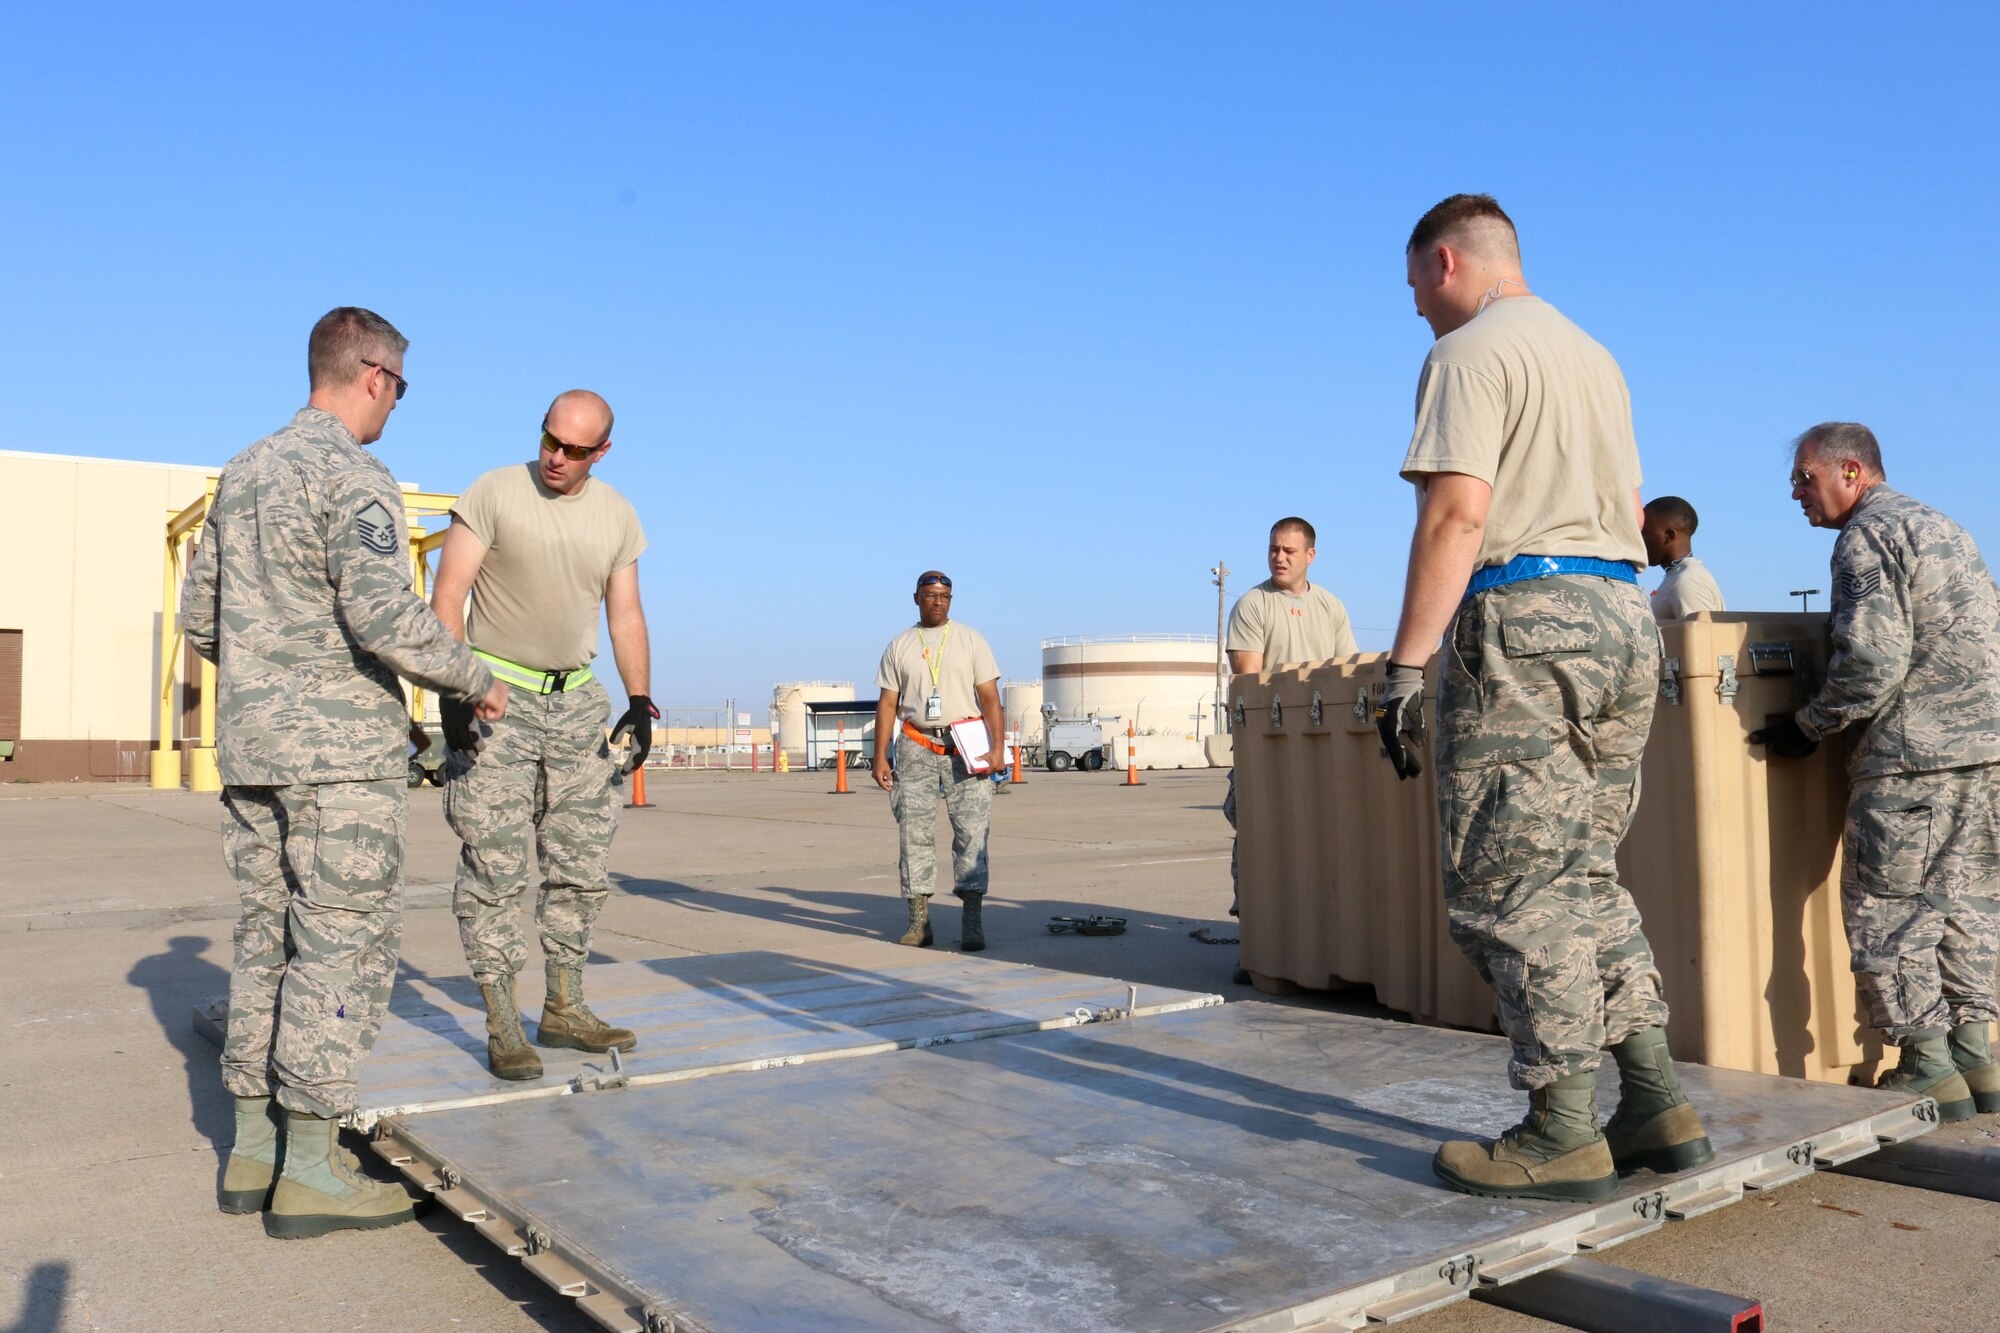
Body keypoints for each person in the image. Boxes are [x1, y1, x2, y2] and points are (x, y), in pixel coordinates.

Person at [1374, 194, 1710, 1202]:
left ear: (1444, 262)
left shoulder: (1469, 353)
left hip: (1525, 620)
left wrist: (1404, 664)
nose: (1417, 313)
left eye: (1414, 290)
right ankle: (1652, 1101)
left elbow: (1456, 513)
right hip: (1616, 616)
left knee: (1509, 883)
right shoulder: (1590, 354)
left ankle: (1560, 1126)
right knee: (1578, 871)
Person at [181, 307, 507, 1237]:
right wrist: (475, 679)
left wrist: (268, 678)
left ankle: (251, 1149)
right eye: (400, 386)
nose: (397, 405)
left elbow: (201, 623)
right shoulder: (353, 475)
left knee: (262, 941)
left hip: (252, 755)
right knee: (338, 948)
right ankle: (312, 1168)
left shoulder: (240, 474)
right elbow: (379, 612)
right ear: (372, 374)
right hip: (339, 763)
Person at [1751, 422, 2000, 1120]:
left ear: (1851, 472)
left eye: (1804, 478)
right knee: (1963, 908)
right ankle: (1976, 1058)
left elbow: (1872, 661)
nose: (1796, 492)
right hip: (1981, 754)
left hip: (1910, 758)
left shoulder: (1866, 537)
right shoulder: (1944, 527)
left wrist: (1808, 724)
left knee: (1888, 914)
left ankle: (1926, 1064)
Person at [430, 390, 656, 1082]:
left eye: (575, 450)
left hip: (577, 701)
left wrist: (641, 700)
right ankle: (503, 1021)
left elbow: (625, 615)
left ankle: (564, 1006)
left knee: (580, 863)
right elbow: (448, 594)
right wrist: (456, 689)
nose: (556, 457)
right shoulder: (494, 492)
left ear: (602, 453)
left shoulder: (616, 514)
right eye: (549, 439)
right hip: (497, 697)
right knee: (494, 865)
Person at [1223, 517, 1358, 979]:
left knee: (1324, 845)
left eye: (1289, 551)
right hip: (1268, 747)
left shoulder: (1330, 606)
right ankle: (1256, 946)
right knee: (1262, 843)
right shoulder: (1254, 605)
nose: (1279, 557)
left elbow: (1346, 673)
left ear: (1310, 556)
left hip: (1323, 748)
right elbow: (1249, 685)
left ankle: (1320, 944)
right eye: (1274, 549)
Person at [871, 571, 1006, 951]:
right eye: (930, 595)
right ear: (916, 598)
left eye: (945, 596)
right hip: (916, 744)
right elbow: (887, 704)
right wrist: (880, 755)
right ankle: (919, 922)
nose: (937, 602)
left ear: (951, 599)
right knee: (914, 834)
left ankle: (972, 921)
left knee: (972, 834)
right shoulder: (900, 645)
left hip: (967, 747)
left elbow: (991, 699)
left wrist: (997, 749)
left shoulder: (971, 640)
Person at [1641, 496, 1726, 622]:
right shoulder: (1677, 577)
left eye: (1645, 533)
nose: (1639, 539)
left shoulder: (1687, 581)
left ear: (1668, 536)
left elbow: (1702, 638)